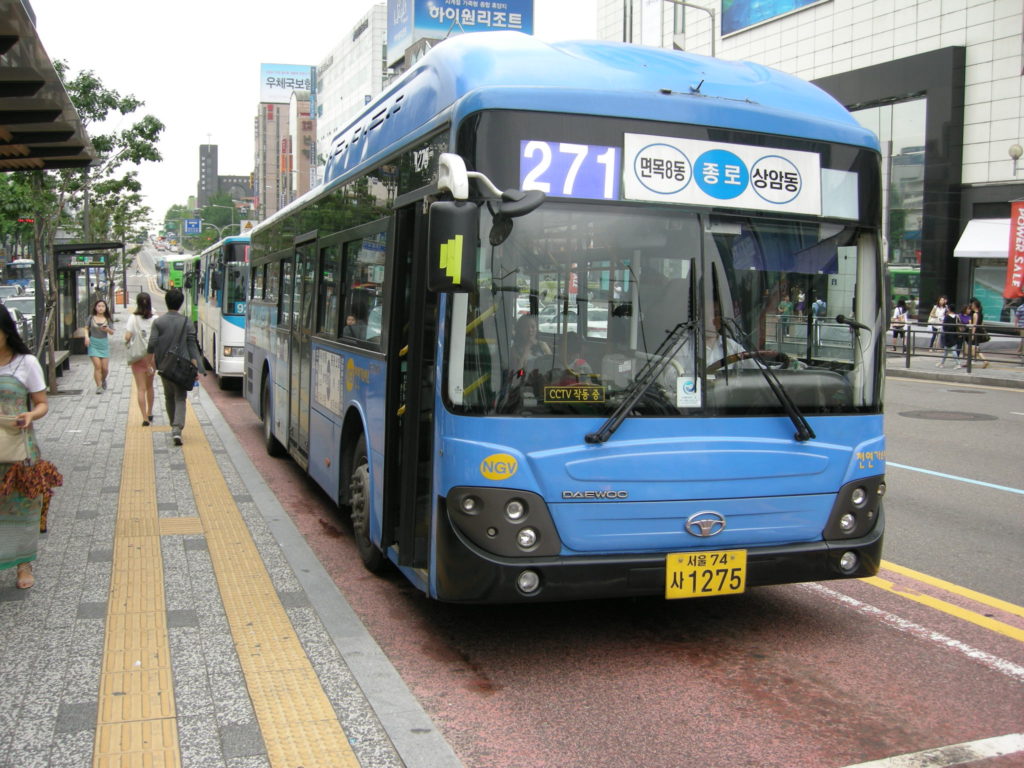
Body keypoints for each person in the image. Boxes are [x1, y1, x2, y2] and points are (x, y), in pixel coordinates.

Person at [0, 304, 57, 589]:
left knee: (22, 505)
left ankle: (23, 564)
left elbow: (42, 403)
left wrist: (30, 415)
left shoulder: (26, 363)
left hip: (19, 446)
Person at [148, 288, 204, 446]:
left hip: (165, 365)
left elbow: (152, 343)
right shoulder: (186, 322)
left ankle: (174, 425)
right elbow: (192, 345)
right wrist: (197, 367)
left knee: (168, 396)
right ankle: (177, 428)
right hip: (182, 366)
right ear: (180, 303)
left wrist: (152, 360)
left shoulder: (158, 322)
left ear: (167, 302)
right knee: (180, 397)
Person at [124, 292, 157, 426]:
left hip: (138, 356)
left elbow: (127, 336)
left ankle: (144, 418)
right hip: (152, 357)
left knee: (141, 388)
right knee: (150, 387)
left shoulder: (133, 318)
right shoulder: (155, 318)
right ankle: (150, 412)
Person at [86, 299, 115, 394]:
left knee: (105, 369)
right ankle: (98, 386)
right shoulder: (91, 317)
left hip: (104, 344)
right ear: (95, 307)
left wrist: (107, 329)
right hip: (93, 343)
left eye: (103, 306)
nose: (101, 308)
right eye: (99, 306)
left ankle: (103, 380)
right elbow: (86, 328)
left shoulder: (108, 319)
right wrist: (87, 337)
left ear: (105, 308)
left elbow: (112, 332)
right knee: (97, 366)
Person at [962, 297, 989, 368]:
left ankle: (985, 360)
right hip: (979, 331)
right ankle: (968, 362)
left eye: (973, 305)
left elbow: (974, 325)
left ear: (975, 306)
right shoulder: (981, 314)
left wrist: (972, 334)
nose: (971, 306)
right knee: (973, 348)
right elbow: (982, 324)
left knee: (974, 348)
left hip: (975, 332)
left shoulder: (975, 314)